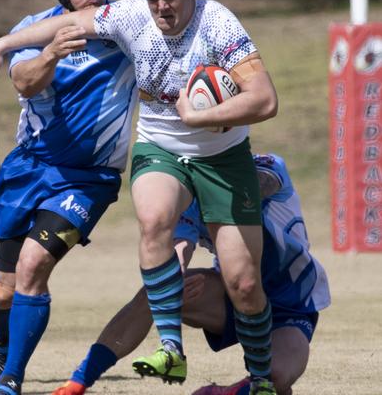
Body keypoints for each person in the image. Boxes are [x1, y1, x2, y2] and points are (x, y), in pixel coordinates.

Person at [0, 0, 279, 394]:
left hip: (214, 158)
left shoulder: (217, 23)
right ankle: (170, 348)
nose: (162, 8)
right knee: (152, 221)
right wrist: (1, 44)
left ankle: (263, 378)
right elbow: (66, 27)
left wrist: (201, 115)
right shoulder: (130, 16)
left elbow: (266, 100)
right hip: (145, 151)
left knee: (244, 282)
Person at [0, 0, 137, 395]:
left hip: (88, 180)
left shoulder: (126, 26)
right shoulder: (32, 29)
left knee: (34, 265)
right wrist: (50, 53)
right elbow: (25, 81)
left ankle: (11, 378)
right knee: (4, 290)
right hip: (29, 170)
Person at [52, 153, 331, 395]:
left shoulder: (264, 165)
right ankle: (78, 382)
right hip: (227, 293)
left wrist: (210, 182)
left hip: (291, 302)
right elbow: (179, 249)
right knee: (156, 290)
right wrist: (174, 280)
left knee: (278, 381)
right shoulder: (188, 201)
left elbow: (259, 186)